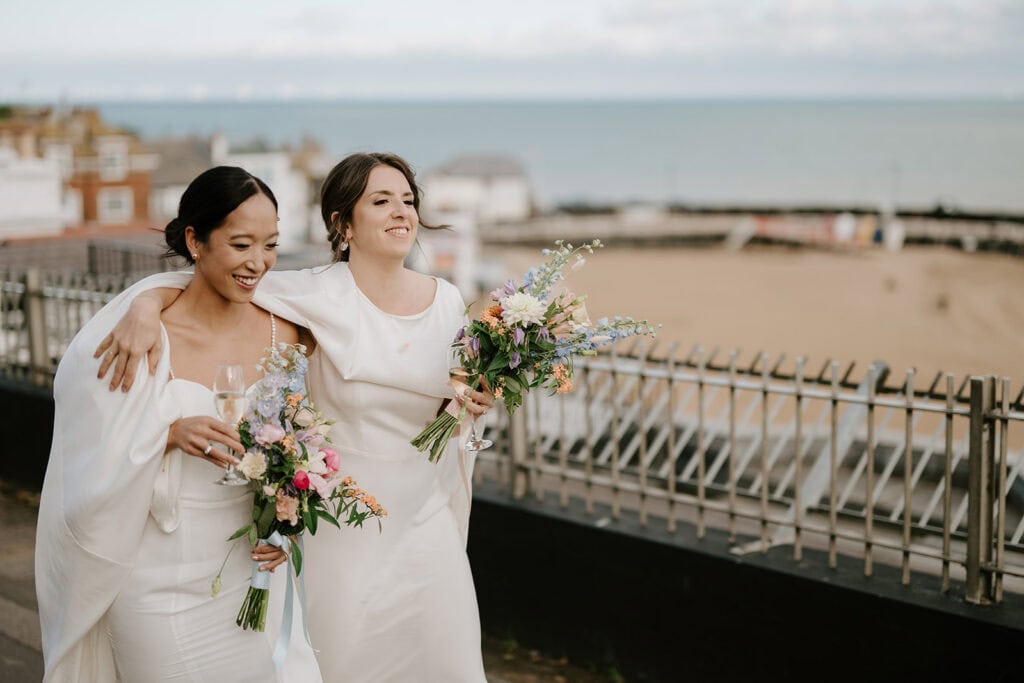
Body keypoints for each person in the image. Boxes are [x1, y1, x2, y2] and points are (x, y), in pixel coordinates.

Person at [93, 152, 494, 681]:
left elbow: (457, 421)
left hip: (428, 525)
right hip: (346, 534)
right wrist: (143, 307)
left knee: (449, 662)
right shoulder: (313, 294)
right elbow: (210, 282)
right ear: (342, 223)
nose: (402, 212)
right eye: (381, 201)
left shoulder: (447, 301)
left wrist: (475, 405)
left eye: (408, 200)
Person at [36, 167, 322, 682]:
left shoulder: (291, 331)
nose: (258, 263)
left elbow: (305, 441)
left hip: (252, 570)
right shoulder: (138, 336)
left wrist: (286, 525)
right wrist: (166, 435)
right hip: (155, 579)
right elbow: (85, 458)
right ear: (195, 239)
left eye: (271, 245)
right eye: (240, 244)